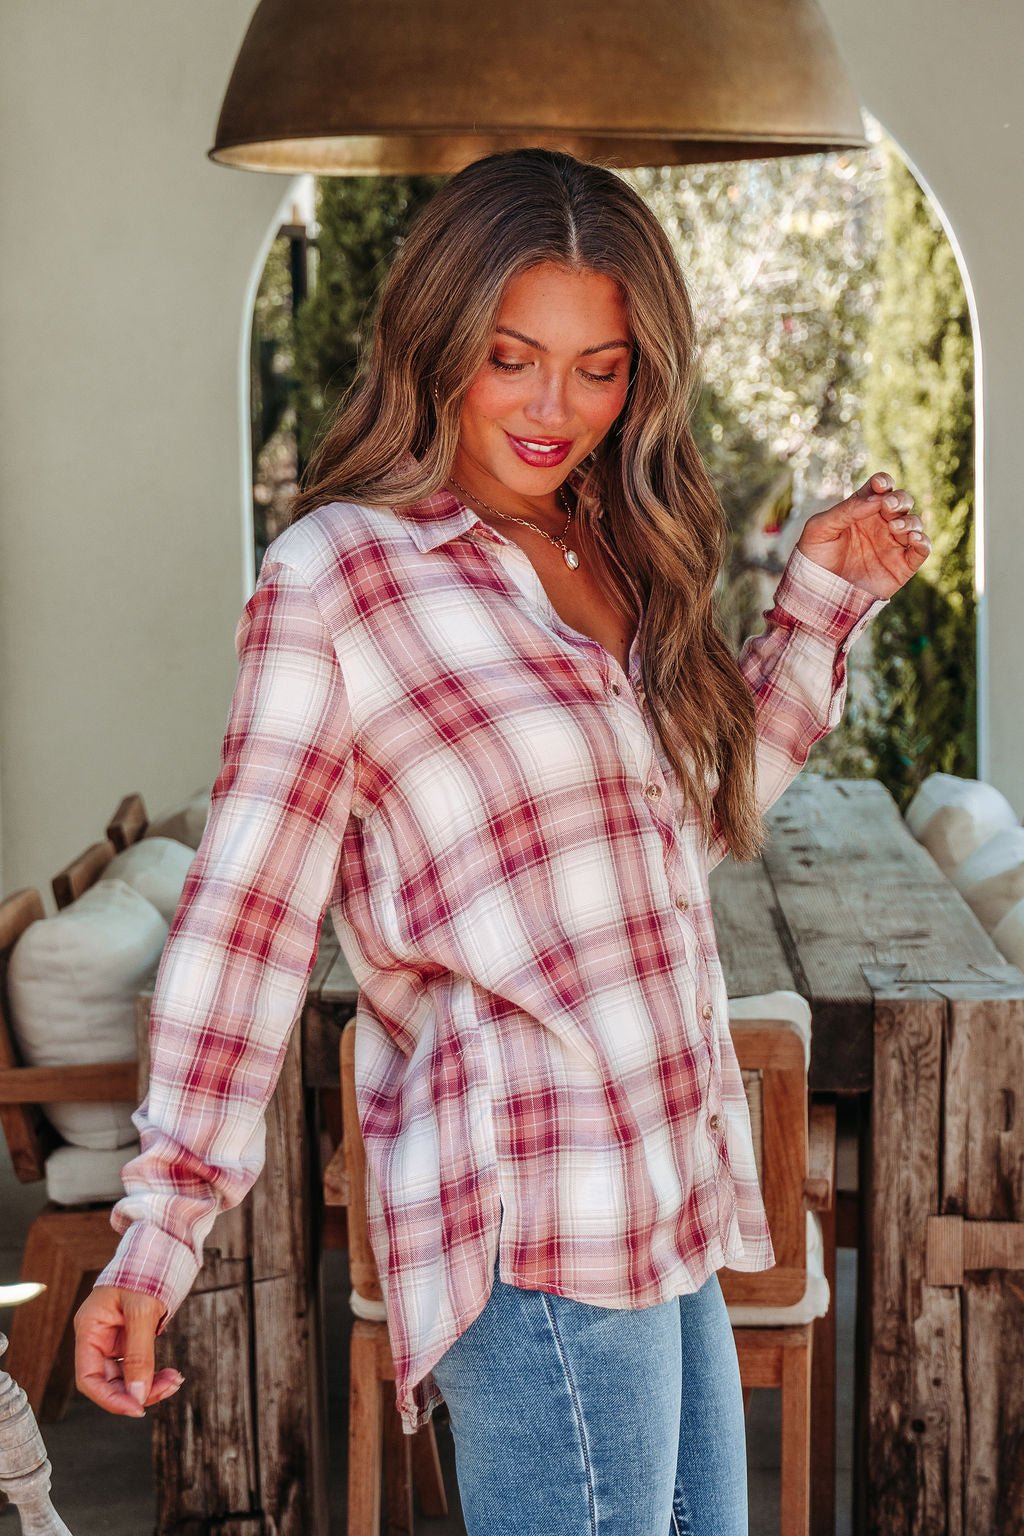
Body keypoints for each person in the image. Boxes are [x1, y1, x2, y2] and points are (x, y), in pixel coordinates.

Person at [74, 147, 929, 1534]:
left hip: (665, 1192)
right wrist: (159, 1234)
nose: (555, 408)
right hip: (529, 1219)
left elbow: (675, 841)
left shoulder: (608, 544)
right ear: (437, 343)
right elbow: (246, 923)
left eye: (599, 368)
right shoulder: (342, 577)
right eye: (513, 357)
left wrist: (822, 599)